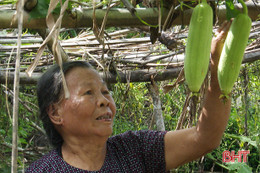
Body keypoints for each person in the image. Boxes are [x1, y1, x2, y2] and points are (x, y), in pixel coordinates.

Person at [26, 21, 232, 173]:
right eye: (88, 92)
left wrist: (217, 69)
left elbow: (204, 137)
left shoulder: (136, 149)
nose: (104, 101)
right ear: (55, 112)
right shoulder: (42, 170)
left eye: (105, 92)